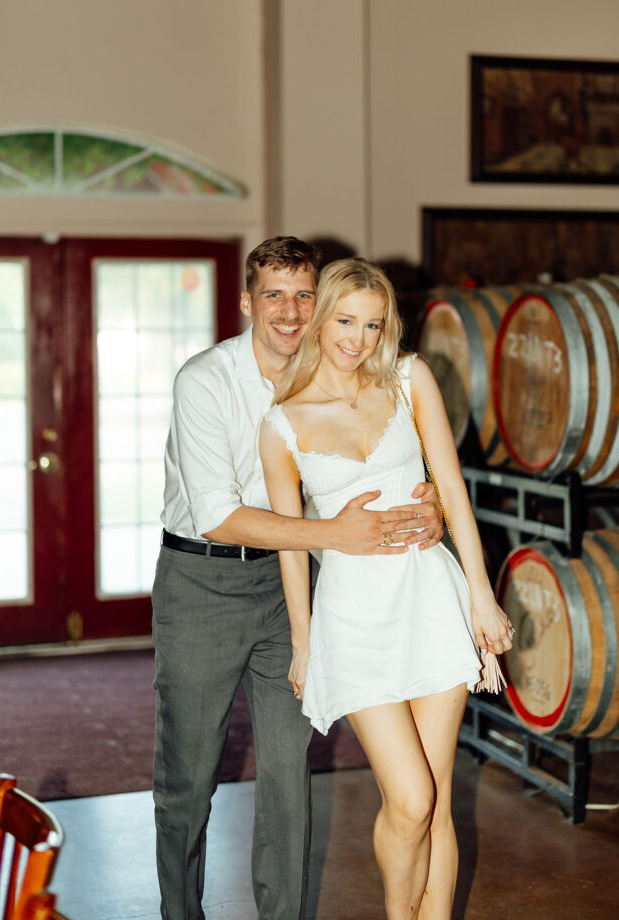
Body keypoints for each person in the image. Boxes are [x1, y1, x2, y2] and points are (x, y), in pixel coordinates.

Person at [152, 237, 445, 920]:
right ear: (246, 301)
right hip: (202, 583)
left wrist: (424, 510)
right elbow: (219, 516)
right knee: (189, 776)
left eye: (304, 294)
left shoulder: (338, 376)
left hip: (296, 591)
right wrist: (334, 535)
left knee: (287, 774)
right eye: (274, 295)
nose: (289, 311)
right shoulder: (205, 380)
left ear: (323, 302)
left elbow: (375, 467)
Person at [260, 257, 514, 920]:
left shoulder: (409, 378)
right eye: (345, 320)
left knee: (435, 801)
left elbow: (452, 489)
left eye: (373, 325)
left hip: (431, 597)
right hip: (352, 618)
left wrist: (479, 595)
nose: (357, 338)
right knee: (408, 798)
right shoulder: (281, 423)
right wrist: (302, 641)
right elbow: (291, 540)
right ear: (321, 320)